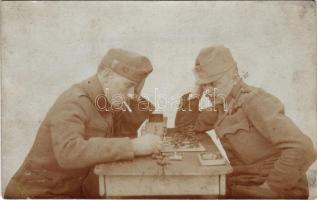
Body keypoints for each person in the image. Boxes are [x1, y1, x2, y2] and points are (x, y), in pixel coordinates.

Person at [4, 48, 161, 198]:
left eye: (135, 88)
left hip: (70, 192)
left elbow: (126, 124)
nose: (131, 94)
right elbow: (68, 151)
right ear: (106, 75)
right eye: (128, 86)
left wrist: (135, 93)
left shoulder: (106, 100)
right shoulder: (74, 101)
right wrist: (133, 146)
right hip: (38, 193)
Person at [175, 45, 317, 198]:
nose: (208, 91)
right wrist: (196, 93)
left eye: (213, 84)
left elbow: (303, 147)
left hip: (277, 191)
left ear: (234, 76)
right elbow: (186, 126)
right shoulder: (222, 105)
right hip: (243, 183)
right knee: (189, 192)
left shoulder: (255, 101)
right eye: (204, 85)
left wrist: (271, 188)